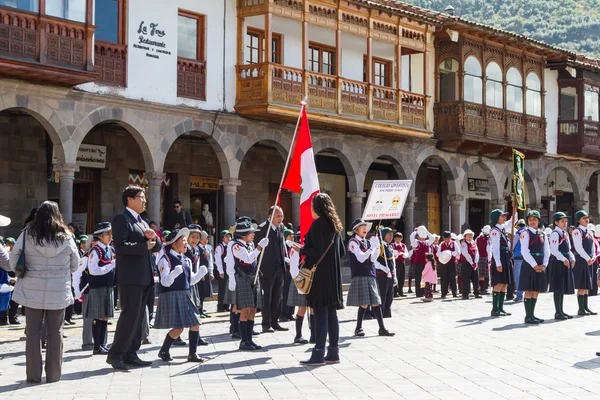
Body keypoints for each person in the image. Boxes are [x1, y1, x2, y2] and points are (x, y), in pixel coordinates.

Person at [8, 201, 79, 383]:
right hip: (58, 291)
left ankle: (33, 375)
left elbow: (13, 260)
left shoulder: (26, 234)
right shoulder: (67, 236)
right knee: (56, 332)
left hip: (32, 291)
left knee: (32, 332)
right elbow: (74, 264)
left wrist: (22, 272)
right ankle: (54, 375)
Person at [107, 185, 162, 370]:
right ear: (129, 199)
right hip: (130, 276)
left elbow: (156, 246)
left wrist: (154, 237)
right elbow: (121, 247)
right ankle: (116, 354)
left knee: (139, 317)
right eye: (140, 196)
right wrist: (142, 247)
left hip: (145, 276)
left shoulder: (142, 221)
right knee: (129, 315)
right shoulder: (122, 219)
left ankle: (131, 353)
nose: (144, 200)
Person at [293, 193, 345, 366]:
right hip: (333, 277)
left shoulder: (317, 225)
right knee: (332, 314)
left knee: (321, 314)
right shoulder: (336, 226)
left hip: (320, 276)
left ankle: (318, 354)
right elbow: (342, 252)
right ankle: (333, 352)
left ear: (317, 207)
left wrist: (302, 250)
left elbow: (315, 250)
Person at [155, 229, 207, 363]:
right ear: (173, 243)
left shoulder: (186, 260)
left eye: (185, 240)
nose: (186, 243)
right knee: (179, 328)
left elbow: (189, 281)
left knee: (195, 323)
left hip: (185, 293)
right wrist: (174, 273)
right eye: (183, 240)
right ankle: (164, 350)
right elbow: (165, 282)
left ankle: (192, 354)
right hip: (171, 294)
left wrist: (200, 274)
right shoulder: (165, 259)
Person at [347, 219, 395, 338]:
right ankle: (359, 327)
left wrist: (376, 248)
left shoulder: (367, 242)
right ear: (356, 230)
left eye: (365, 226)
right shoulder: (353, 242)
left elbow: (372, 259)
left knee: (376, 301)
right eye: (361, 227)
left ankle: (381, 328)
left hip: (370, 273)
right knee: (364, 303)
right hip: (360, 274)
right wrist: (370, 248)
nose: (365, 229)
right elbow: (361, 258)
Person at [228, 220, 269, 350]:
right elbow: (247, 259)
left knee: (253, 309)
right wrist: (259, 248)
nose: (253, 234)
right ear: (243, 234)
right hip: (243, 278)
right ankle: (244, 340)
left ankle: (250, 339)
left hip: (253, 278)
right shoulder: (236, 246)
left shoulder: (249, 244)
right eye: (251, 232)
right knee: (245, 309)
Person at [254, 206, 288, 333]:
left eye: (282, 216)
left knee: (277, 296)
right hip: (266, 268)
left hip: (279, 266)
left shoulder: (281, 228)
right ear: (270, 216)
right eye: (278, 216)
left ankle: (275, 321)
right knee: (267, 296)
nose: (280, 218)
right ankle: (266, 323)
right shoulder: (262, 229)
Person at [85, 222, 116, 354]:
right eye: (107, 234)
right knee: (98, 316)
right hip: (98, 287)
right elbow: (93, 270)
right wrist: (111, 265)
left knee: (105, 317)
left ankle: (102, 343)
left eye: (110, 233)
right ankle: (97, 346)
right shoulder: (95, 250)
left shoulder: (110, 249)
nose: (110, 236)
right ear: (100, 236)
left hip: (108, 285)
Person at [518, 211, 550, 324]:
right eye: (530, 219)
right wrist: (534, 265)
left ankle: (533, 314)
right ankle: (528, 315)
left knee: (536, 290)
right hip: (529, 264)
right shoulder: (525, 233)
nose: (532, 221)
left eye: (535, 219)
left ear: (539, 221)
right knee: (529, 289)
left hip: (540, 264)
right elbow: (524, 251)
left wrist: (544, 264)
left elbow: (547, 251)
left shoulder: (543, 234)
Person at [488, 208, 517, 317]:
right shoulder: (495, 230)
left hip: (505, 257)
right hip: (499, 257)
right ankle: (495, 309)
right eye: (502, 216)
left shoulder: (502, 228)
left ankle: (501, 308)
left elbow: (511, 222)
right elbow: (495, 248)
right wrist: (498, 263)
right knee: (499, 283)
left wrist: (514, 212)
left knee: (504, 283)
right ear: (496, 218)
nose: (504, 218)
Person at [548, 212, 575, 320]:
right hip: (558, 262)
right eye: (562, 221)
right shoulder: (555, 234)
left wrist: (572, 258)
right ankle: (557, 311)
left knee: (562, 286)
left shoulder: (565, 234)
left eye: (566, 221)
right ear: (556, 222)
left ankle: (561, 310)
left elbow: (568, 249)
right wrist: (564, 259)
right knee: (558, 286)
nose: (565, 224)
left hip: (565, 261)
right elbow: (554, 250)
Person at [73, 237, 98, 351]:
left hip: (100, 289)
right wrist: (77, 291)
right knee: (88, 318)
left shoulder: (105, 253)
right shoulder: (85, 257)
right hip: (88, 290)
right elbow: (77, 273)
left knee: (101, 317)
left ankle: (100, 341)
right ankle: (87, 342)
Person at [571, 210, 597, 316]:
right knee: (582, 285)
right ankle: (581, 308)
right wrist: (587, 258)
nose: (586, 220)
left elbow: (592, 247)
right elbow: (578, 247)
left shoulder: (589, 232)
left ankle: (586, 307)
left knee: (587, 285)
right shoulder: (577, 232)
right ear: (578, 220)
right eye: (583, 218)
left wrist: (594, 256)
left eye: (587, 218)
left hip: (589, 260)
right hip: (582, 260)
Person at [286, 245, 311, 345]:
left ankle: (314, 334)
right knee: (302, 308)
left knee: (313, 307)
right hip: (300, 281)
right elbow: (293, 268)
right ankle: (298, 335)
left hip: (310, 280)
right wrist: (299, 284)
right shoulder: (296, 248)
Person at [375, 227, 395, 318]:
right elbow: (374, 261)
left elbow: (393, 261)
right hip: (382, 275)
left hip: (390, 275)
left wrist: (394, 275)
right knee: (382, 295)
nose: (391, 236)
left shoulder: (389, 246)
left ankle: (387, 312)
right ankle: (380, 314)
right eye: (388, 234)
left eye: (392, 234)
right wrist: (383, 268)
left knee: (390, 295)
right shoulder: (379, 246)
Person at [410, 226, 435, 297]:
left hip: (426, 263)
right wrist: (416, 231)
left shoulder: (427, 242)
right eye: (421, 236)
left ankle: (424, 291)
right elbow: (411, 238)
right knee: (418, 277)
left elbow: (432, 238)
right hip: (419, 262)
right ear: (418, 237)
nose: (423, 238)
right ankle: (418, 292)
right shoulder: (416, 243)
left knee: (425, 277)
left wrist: (427, 232)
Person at [436, 231, 459, 299]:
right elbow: (438, 253)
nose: (447, 240)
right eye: (445, 239)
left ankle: (454, 292)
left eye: (448, 239)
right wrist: (443, 254)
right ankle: (443, 293)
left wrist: (451, 253)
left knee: (452, 277)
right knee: (443, 278)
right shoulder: (441, 244)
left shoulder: (454, 243)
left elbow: (458, 251)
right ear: (443, 238)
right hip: (443, 263)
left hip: (452, 262)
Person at [197, 231, 214, 318]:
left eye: (206, 239)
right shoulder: (197, 249)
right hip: (200, 274)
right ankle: (198, 311)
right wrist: (200, 274)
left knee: (204, 293)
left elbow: (210, 261)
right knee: (199, 293)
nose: (205, 240)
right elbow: (197, 262)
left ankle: (201, 310)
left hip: (206, 273)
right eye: (203, 239)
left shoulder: (207, 249)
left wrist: (211, 272)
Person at [460, 229, 481, 300]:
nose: (470, 236)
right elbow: (465, 254)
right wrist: (472, 262)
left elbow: (477, 253)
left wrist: (475, 262)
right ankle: (465, 294)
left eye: (471, 235)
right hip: (466, 263)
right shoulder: (464, 244)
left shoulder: (473, 243)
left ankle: (477, 293)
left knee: (476, 279)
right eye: (468, 235)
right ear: (465, 236)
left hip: (474, 263)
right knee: (466, 279)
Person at [214, 230, 232, 312]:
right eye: (226, 236)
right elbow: (218, 260)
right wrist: (220, 271)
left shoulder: (230, 246)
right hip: (223, 271)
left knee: (229, 288)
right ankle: (220, 306)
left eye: (229, 236)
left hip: (230, 270)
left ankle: (226, 305)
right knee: (222, 289)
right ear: (222, 238)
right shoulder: (220, 247)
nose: (229, 238)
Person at [512, 219, 527, 302]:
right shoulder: (528, 232)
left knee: (518, 277)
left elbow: (513, 244)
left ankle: (519, 295)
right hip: (527, 257)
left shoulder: (518, 233)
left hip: (518, 256)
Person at [391, 232, 408, 297]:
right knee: (396, 277)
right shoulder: (392, 245)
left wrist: (403, 254)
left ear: (401, 239)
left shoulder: (403, 245)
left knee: (402, 277)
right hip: (395, 263)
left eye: (399, 238)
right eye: (396, 238)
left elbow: (406, 254)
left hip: (402, 262)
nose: (397, 240)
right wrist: (397, 254)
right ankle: (395, 292)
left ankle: (401, 291)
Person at [476, 226, 491, 295]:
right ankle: (482, 288)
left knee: (484, 273)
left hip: (484, 256)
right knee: (482, 274)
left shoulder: (479, 238)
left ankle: (483, 287)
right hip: (482, 256)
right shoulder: (482, 239)